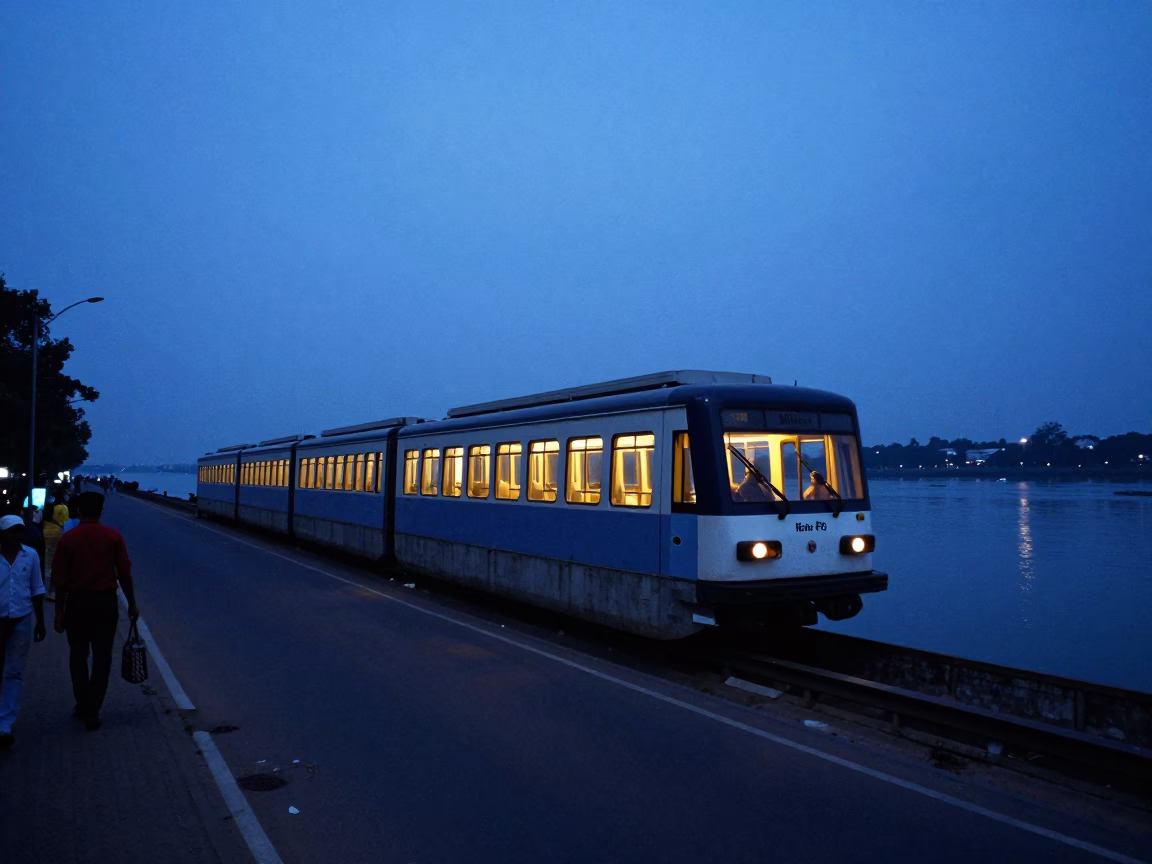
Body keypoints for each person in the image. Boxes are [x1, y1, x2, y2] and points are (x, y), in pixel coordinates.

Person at [51, 492, 139, 731]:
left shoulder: (68, 539)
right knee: (102, 657)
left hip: (77, 603)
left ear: (79, 510)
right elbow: (124, 573)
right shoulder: (112, 536)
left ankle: (83, 703)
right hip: (104, 603)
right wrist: (131, 603)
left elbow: (59, 579)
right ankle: (93, 708)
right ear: (101, 510)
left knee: (77, 654)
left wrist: (59, 611)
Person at [0, 514, 48, 749]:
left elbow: (37, 589)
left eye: (19, 531)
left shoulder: (31, 555)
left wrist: (41, 622)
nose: (15, 535)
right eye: (11, 531)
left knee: (14, 673)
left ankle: (5, 725)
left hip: (21, 619)